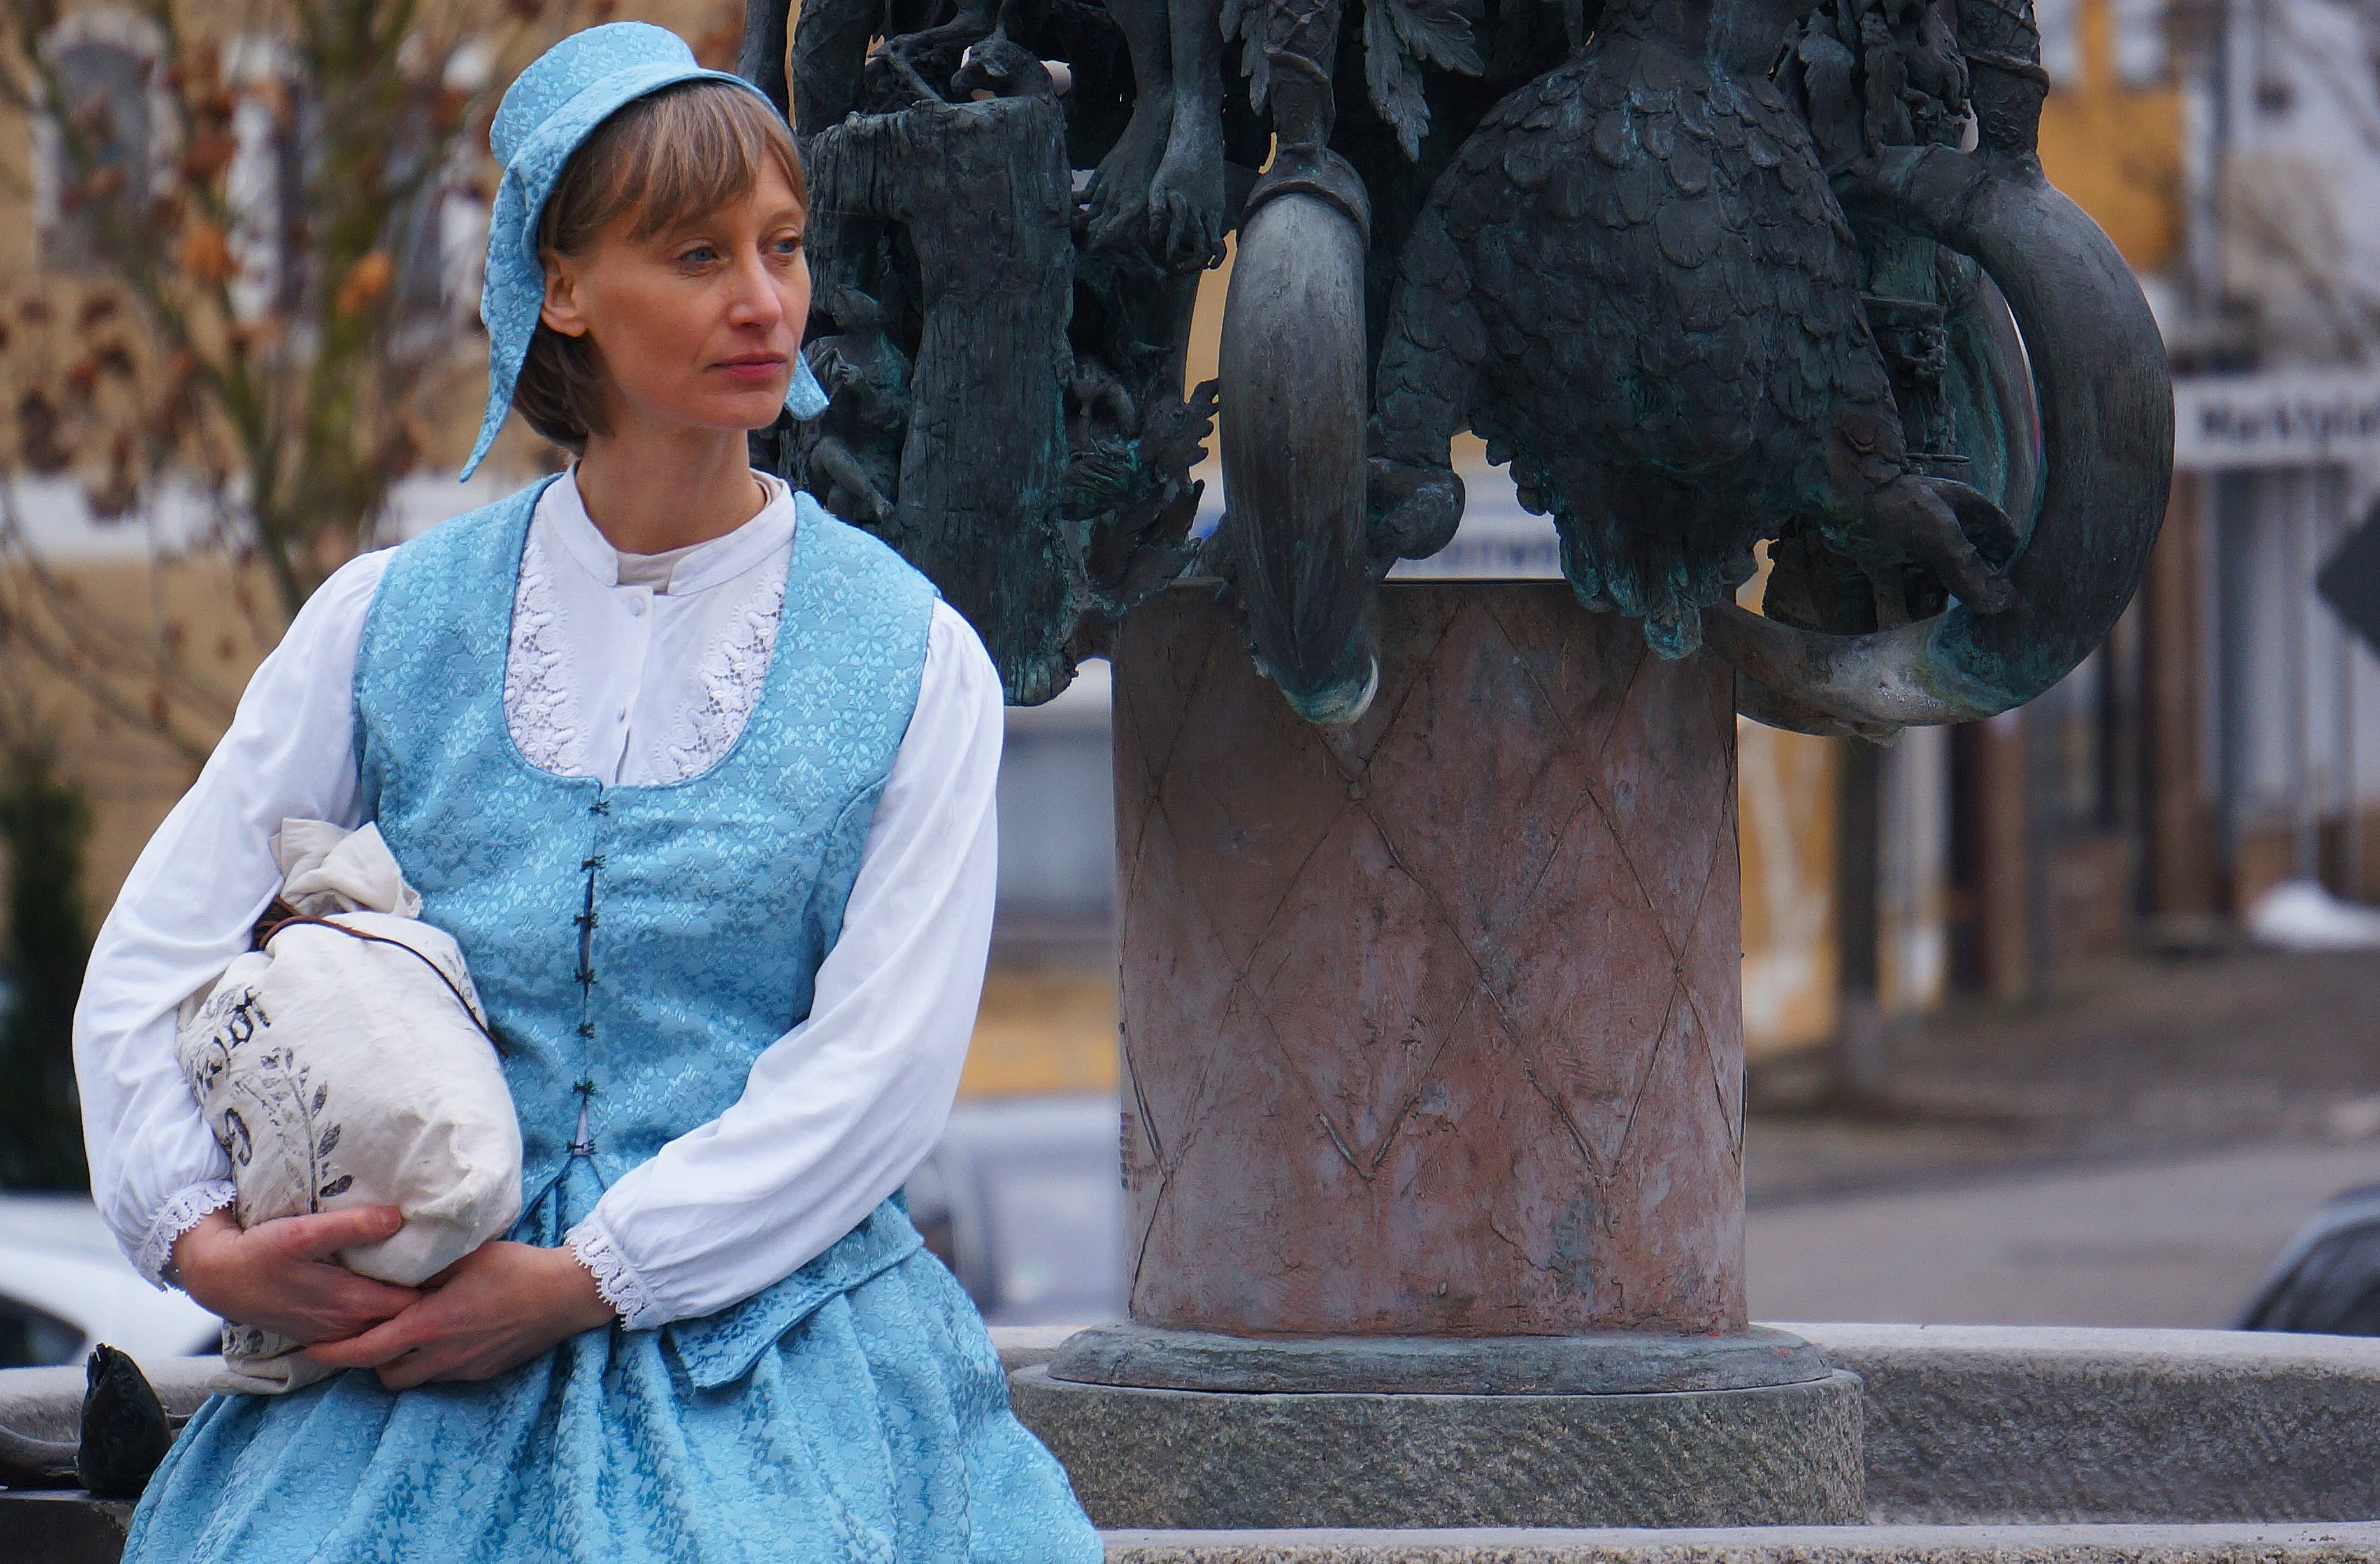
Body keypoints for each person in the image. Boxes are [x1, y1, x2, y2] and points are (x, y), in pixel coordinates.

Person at [71, 22, 1101, 1561]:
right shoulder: (387, 619)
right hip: (404, 1354)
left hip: (771, 1349)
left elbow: (876, 1071)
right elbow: (146, 965)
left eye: (782, 246)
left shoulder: (909, 655)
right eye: (694, 255)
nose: (762, 301)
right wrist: (205, 1246)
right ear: (561, 287)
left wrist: (589, 1275)